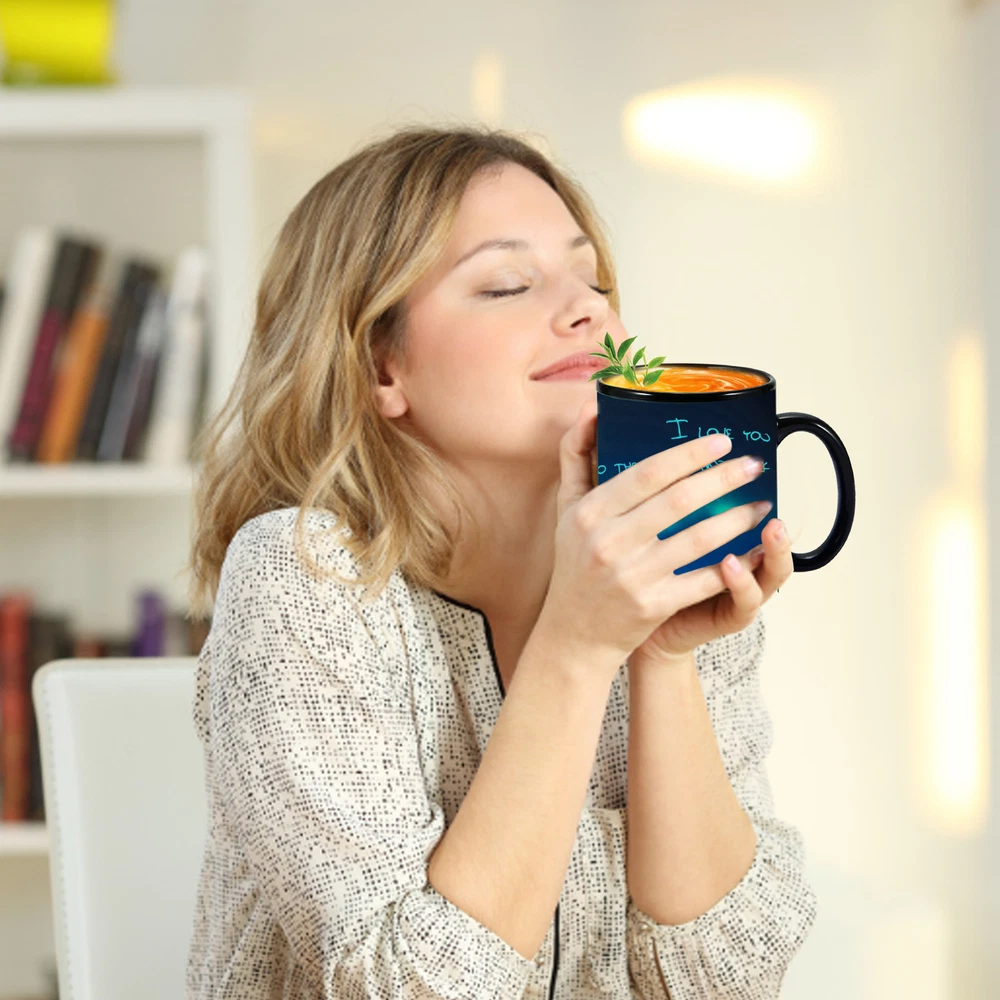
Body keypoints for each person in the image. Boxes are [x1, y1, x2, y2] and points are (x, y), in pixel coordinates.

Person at [184, 124, 817, 1000]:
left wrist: (663, 654)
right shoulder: (303, 580)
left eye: (594, 281)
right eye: (507, 284)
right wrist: (577, 647)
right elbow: (405, 988)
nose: (587, 310)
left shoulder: (662, 568)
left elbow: (725, 983)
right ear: (380, 367)